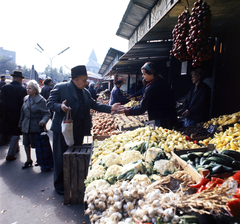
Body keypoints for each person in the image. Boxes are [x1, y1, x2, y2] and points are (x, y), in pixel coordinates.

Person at [46, 65, 124, 195]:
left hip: (78, 129)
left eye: (86, 79)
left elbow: (94, 105)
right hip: (63, 129)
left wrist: (111, 108)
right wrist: (61, 107)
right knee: (61, 157)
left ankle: (72, 180)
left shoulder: (85, 92)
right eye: (84, 80)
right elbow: (49, 103)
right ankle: (59, 185)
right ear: (75, 79)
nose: (86, 82)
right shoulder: (61, 87)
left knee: (74, 156)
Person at [119, 62, 177, 129]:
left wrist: (125, 111)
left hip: (160, 119)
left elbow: (141, 108)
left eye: (144, 74)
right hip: (169, 117)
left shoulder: (152, 87)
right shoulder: (162, 81)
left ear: (151, 73)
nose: (143, 76)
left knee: (159, 136)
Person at [19, 80, 51, 169]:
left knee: (36, 144)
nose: (27, 90)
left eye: (30, 88)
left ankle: (39, 159)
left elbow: (47, 113)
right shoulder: (25, 98)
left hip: (35, 126)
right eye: (27, 88)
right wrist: (20, 123)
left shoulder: (41, 100)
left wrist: (43, 121)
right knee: (25, 143)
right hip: (26, 125)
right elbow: (23, 112)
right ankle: (28, 160)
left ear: (35, 89)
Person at [0, 71, 27, 161]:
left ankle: (16, 147)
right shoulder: (22, 89)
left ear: (13, 78)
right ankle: (10, 154)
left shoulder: (4, 88)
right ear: (19, 79)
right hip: (17, 114)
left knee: (11, 132)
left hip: (5, 114)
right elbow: (24, 104)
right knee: (16, 133)